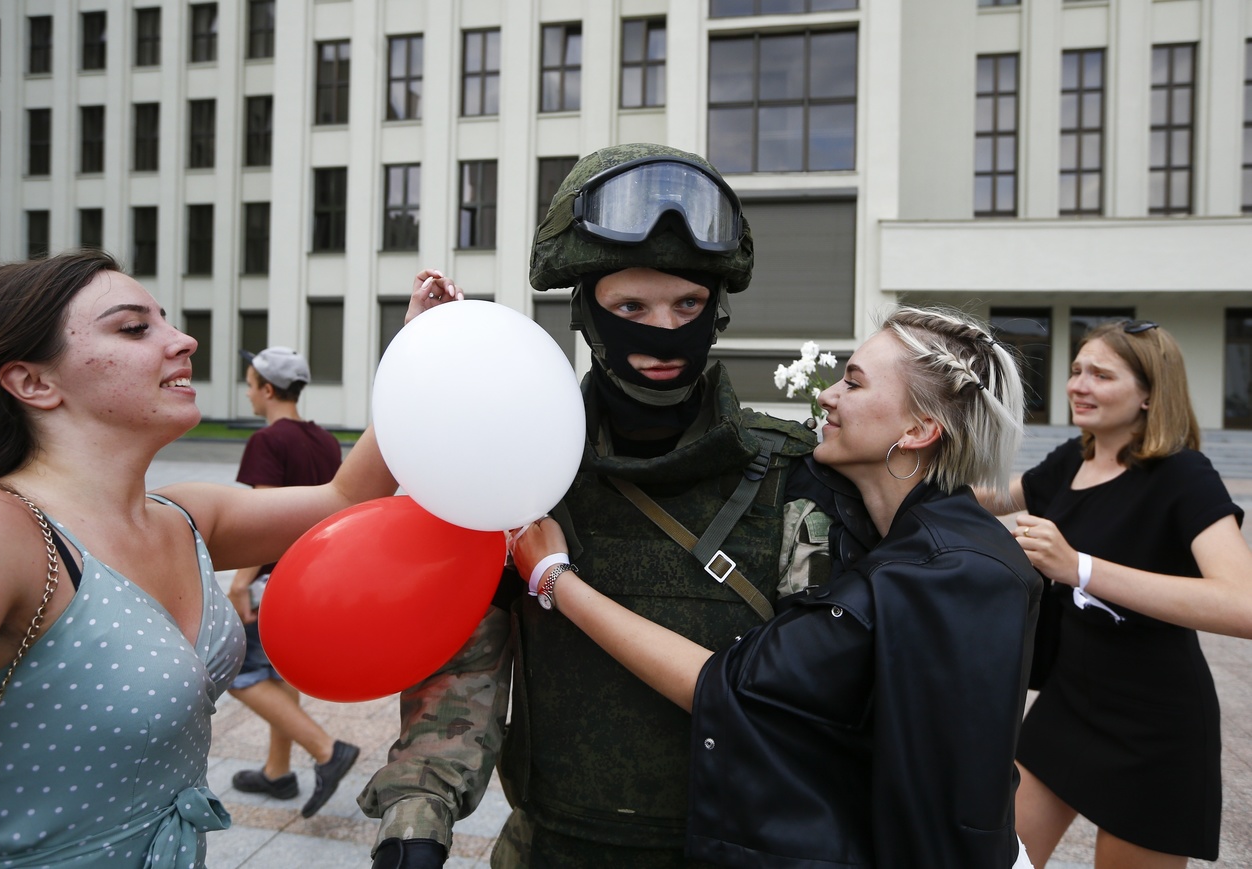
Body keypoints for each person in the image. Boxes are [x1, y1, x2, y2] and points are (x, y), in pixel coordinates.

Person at [357, 143, 823, 868]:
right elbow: (463, 679)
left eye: (688, 304)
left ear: (717, 310)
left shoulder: (787, 472)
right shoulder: (521, 474)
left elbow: (817, 693)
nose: (664, 331)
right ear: (586, 313)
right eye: (631, 306)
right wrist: (416, 824)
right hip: (556, 849)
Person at [0, 252, 454, 867]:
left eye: (166, 321)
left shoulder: (183, 516)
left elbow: (347, 498)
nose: (184, 339)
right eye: (135, 328)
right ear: (33, 382)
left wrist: (415, 351)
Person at [508, 305, 1044, 867]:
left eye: (854, 383)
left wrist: (556, 580)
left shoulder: (941, 575)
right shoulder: (931, 546)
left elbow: (725, 687)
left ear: (918, 430)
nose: (828, 396)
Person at [975, 319, 1252, 868]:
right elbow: (987, 500)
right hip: (1068, 703)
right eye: (1077, 370)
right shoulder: (1071, 461)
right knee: (994, 858)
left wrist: (1079, 567)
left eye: (1101, 374)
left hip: (1155, 730)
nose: (1078, 384)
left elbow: (1242, 606)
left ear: (1150, 393)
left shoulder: (1184, 475)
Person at [226, 346, 360, 818]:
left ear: (266, 389)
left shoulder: (268, 442)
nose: (246, 391)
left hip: (273, 582)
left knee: (235, 672)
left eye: (248, 383)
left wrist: (241, 583)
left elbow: (265, 523)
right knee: (277, 672)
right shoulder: (323, 440)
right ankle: (277, 773)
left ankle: (326, 750)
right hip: (312, 581)